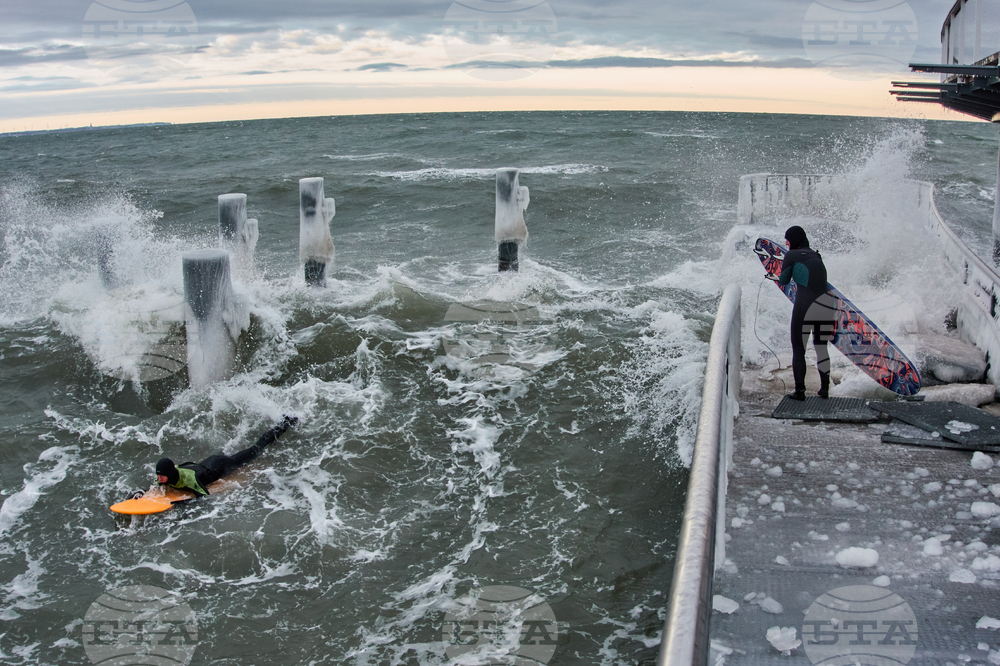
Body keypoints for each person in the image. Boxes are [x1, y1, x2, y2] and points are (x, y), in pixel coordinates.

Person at [154, 415, 298, 496]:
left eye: (161, 476)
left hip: (221, 465)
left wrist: (183, 505)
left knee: (257, 449)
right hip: (208, 462)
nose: (159, 479)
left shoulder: (191, 480)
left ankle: (285, 423)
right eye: (159, 476)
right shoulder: (166, 475)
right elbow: (156, 485)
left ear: (170, 473)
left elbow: (204, 496)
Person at [772, 226, 836, 401]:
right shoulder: (817, 255)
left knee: (799, 349)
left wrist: (779, 271)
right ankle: (825, 390)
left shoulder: (791, 255)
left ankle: (799, 391)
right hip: (825, 306)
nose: (786, 243)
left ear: (794, 240)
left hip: (805, 306)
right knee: (821, 348)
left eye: (788, 239)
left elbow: (783, 280)